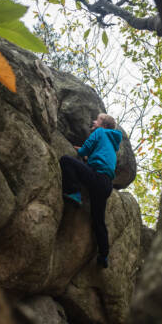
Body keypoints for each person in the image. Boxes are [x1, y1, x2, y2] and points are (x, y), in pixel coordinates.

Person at [59, 113, 122, 268]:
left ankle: (73, 192)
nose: (94, 121)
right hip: (106, 184)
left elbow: (86, 148)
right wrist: (88, 158)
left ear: (103, 125)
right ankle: (103, 256)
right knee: (98, 220)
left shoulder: (100, 132)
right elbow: (98, 158)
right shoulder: (112, 145)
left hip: (97, 178)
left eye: (97, 120)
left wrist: (80, 152)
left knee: (66, 160)